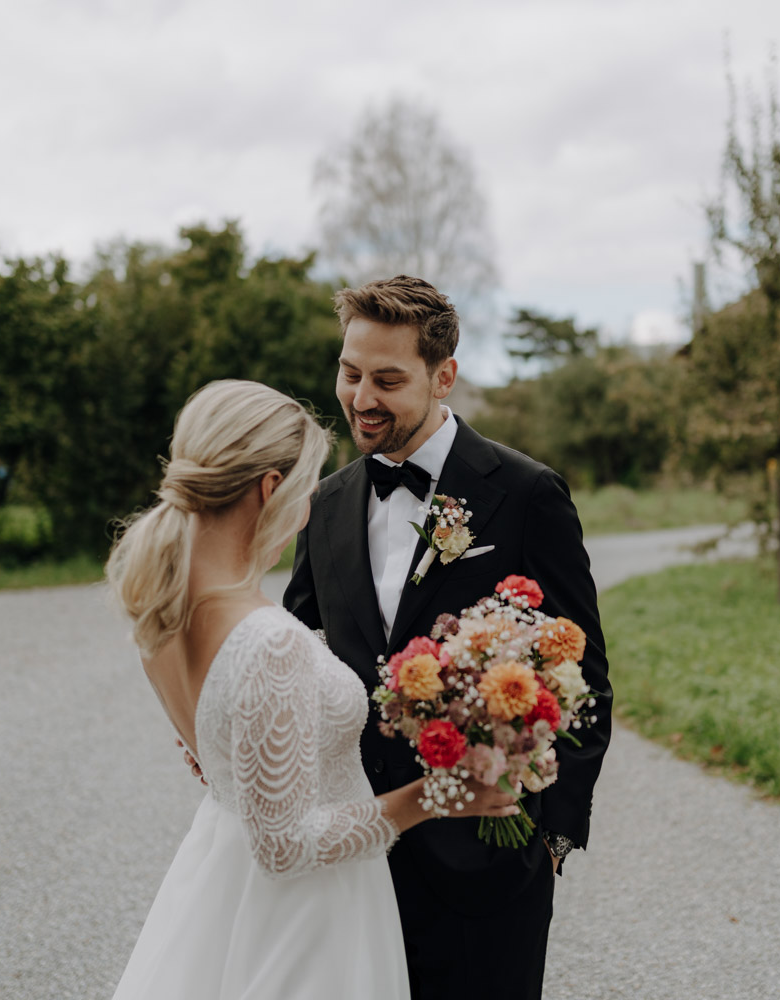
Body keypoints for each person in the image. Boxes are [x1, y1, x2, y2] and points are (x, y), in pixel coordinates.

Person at [106, 379, 519, 1000]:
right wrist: (438, 795)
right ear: (270, 489)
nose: (306, 513)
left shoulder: (160, 610)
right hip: (304, 919)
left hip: (221, 881)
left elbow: (224, 759)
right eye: (304, 491)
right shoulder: (268, 641)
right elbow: (286, 846)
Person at [283, 276, 613, 1000]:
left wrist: (551, 838)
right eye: (350, 373)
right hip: (353, 855)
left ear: (444, 376)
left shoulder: (526, 494)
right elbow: (294, 647)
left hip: (488, 867)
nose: (362, 397)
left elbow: (583, 673)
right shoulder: (326, 504)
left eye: (388, 380)